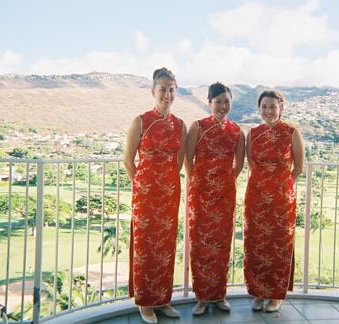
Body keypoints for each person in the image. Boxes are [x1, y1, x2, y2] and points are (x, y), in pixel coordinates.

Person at [124, 67, 187, 324]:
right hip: (145, 194)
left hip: (170, 194)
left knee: (166, 246)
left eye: (171, 89)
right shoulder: (140, 121)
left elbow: (179, 162)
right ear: (153, 91)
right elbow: (129, 162)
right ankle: (145, 302)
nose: (167, 94)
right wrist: (142, 187)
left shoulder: (180, 125)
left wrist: (167, 186)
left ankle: (163, 299)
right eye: (162, 89)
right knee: (145, 247)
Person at [185, 82, 245, 315]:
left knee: (222, 244)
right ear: (209, 102)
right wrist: (199, 182)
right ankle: (201, 297)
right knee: (200, 244)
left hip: (225, 194)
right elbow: (188, 159)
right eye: (218, 101)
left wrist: (227, 181)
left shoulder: (237, 130)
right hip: (200, 193)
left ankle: (219, 295)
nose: (222, 106)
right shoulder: (197, 127)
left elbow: (239, 163)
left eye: (226, 101)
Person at [244, 90, 304, 312]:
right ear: (259, 109)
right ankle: (258, 292)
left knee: (279, 244)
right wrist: (263, 185)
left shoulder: (291, 132)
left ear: (281, 107)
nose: (268, 111)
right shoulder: (253, 133)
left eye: (272, 106)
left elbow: (298, 167)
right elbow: (252, 165)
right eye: (264, 107)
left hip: (281, 198)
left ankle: (276, 294)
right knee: (256, 244)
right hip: (256, 196)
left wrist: (282, 186)